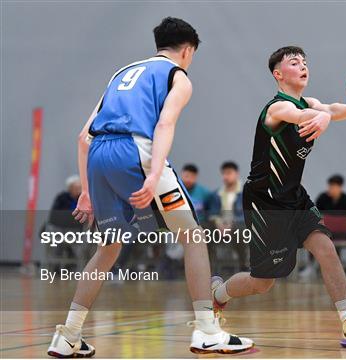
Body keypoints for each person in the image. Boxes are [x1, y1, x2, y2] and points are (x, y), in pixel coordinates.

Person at [47, 17, 253, 358]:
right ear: (187, 51)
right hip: (135, 150)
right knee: (193, 237)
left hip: (99, 156)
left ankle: (67, 335)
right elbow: (165, 124)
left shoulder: (120, 74)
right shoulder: (178, 76)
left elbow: (82, 137)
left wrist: (86, 191)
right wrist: (154, 173)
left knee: (108, 250)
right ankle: (206, 331)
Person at [210, 46, 346, 349]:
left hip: (295, 197)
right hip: (265, 202)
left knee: (326, 249)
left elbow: (334, 110)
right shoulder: (276, 109)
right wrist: (318, 117)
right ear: (278, 74)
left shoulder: (309, 103)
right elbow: (297, 116)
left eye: (305, 62)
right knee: (263, 283)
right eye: (294, 62)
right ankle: (217, 296)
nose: (303, 66)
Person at [300, 174, 346, 278]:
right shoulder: (322, 198)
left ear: (340, 187)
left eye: (334, 186)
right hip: (324, 232)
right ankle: (312, 267)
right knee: (313, 238)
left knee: (333, 245)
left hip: (340, 234)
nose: (331, 189)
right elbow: (316, 215)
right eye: (330, 186)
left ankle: (334, 269)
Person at [208, 161, 249, 272]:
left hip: (238, 226)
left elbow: (247, 215)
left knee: (239, 231)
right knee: (203, 231)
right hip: (220, 228)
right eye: (224, 173)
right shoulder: (217, 194)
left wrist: (231, 224)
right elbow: (213, 214)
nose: (226, 176)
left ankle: (243, 264)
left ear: (236, 174)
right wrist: (218, 223)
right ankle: (209, 268)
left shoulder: (245, 192)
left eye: (229, 173)